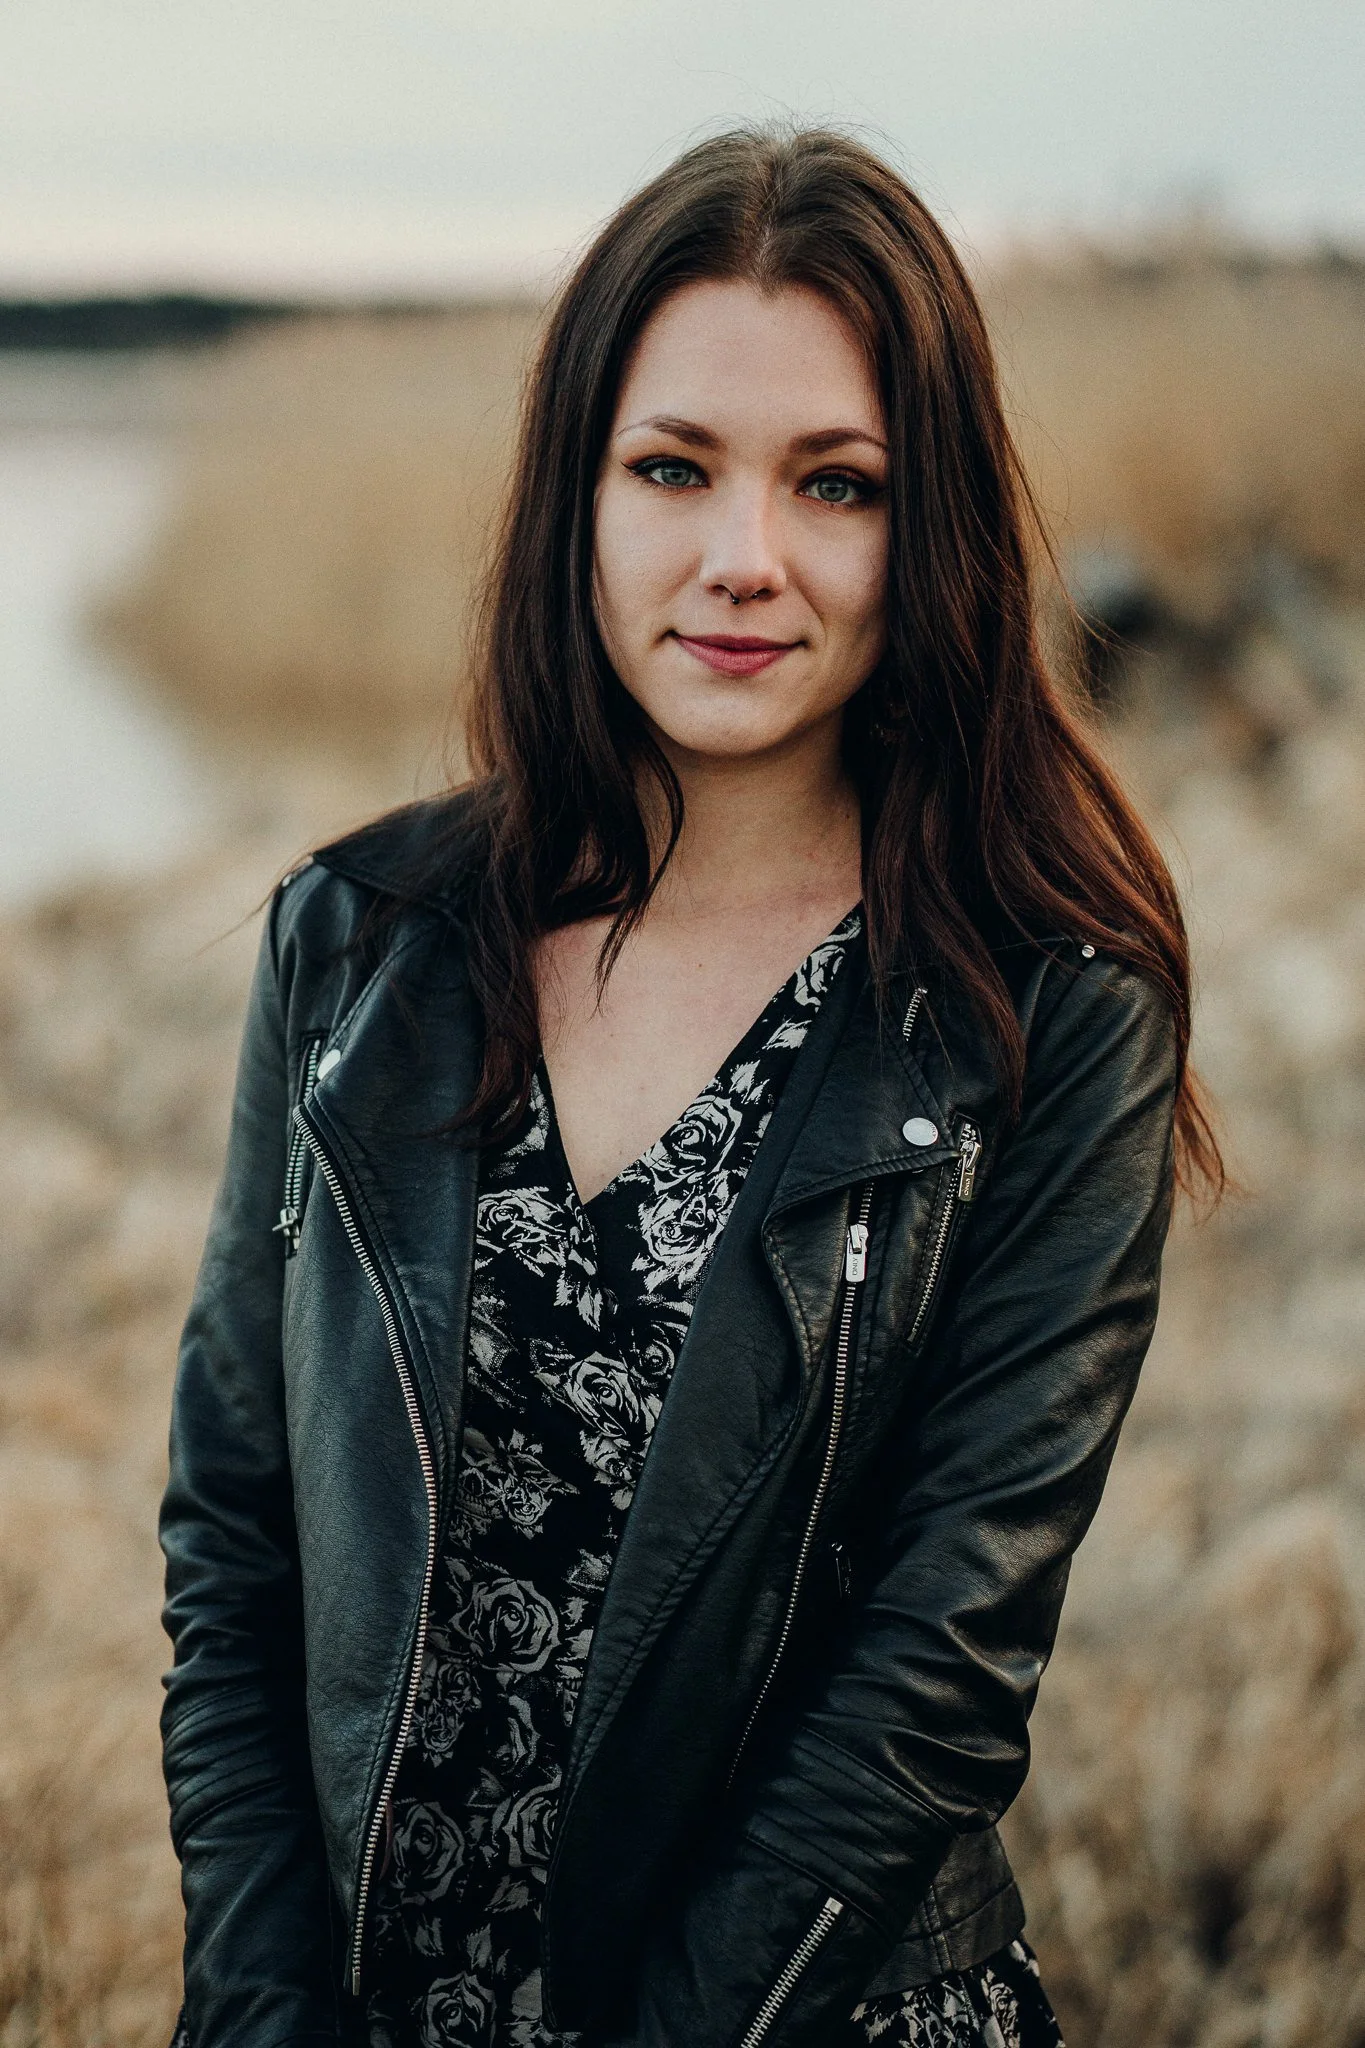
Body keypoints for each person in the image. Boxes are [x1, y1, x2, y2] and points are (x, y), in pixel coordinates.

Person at [159, 126, 1222, 2048]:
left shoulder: (1049, 1010)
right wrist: (253, 2011)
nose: (747, 559)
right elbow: (232, 1544)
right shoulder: (358, 941)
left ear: (936, 529)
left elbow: (938, 1677)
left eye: (840, 485)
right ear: (576, 493)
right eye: (672, 468)